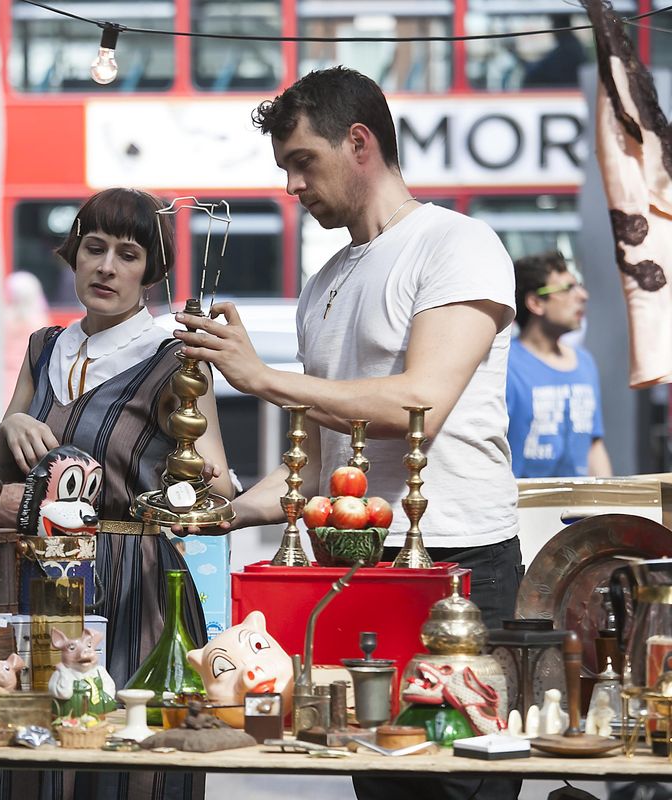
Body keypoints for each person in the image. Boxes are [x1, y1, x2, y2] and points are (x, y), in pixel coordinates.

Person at [173, 67, 522, 800]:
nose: (293, 187)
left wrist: (262, 378)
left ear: (359, 142)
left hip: (453, 563)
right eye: (285, 169)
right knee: (375, 781)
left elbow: (418, 406)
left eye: (303, 162)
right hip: (353, 563)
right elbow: (329, 463)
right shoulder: (326, 279)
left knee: (457, 785)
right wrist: (220, 510)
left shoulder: (458, 243)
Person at [0, 187, 234, 800]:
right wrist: (8, 427)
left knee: (131, 759)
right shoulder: (44, 348)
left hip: (138, 586)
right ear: (73, 256)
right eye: (94, 248)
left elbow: (221, 485)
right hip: (43, 584)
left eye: (128, 254)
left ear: (151, 272)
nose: (106, 267)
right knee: (39, 758)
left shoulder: (174, 358)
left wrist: (182, 482)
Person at [507, 251, 612, 478]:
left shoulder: (584, 362)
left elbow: (594, 446)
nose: (583, 295)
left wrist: (609, 507)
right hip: (523, 507)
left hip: (580, 509)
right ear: (535, 302)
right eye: (567, 289)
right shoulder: (506, 366)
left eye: (579, 286)